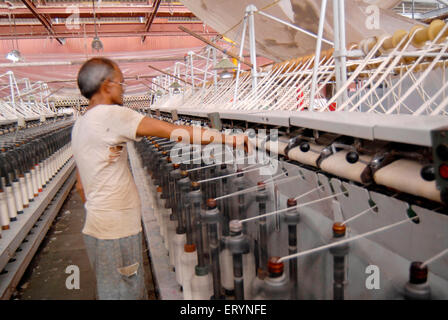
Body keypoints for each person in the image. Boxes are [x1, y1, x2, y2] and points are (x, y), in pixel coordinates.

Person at [72, 57, 248, 300]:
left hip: (96, 227)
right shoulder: (111, 115)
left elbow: (81, 186)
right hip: (117, 231)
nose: (124, 88)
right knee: (125, 292)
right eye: (121, 83)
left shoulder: (81, 123)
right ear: (106, 85)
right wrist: (228, 139)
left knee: (111, 289)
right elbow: (172, 132)